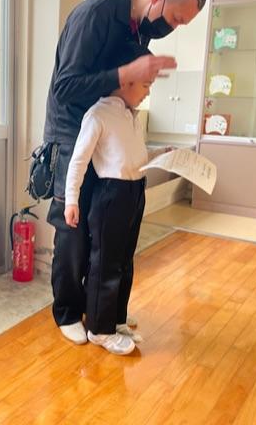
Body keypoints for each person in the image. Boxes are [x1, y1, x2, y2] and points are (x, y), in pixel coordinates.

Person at [44, 0, 206, 345]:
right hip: (72, 133)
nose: (174, 28)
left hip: (108, 133)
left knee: (102, 231)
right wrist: (126, 72)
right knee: (73, 227)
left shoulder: (138, 30)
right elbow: (65, 87)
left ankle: (99, 310)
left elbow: (122, 88)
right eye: (176, 19)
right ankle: (66, 310)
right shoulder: (94, 16)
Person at [64, 49, 172, 354]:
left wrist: (160, 154)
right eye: (146, 86)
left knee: (125, 260)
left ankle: (116, 318)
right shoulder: (98, 115)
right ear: (126, 82)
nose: (148, 93)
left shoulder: (131, 115)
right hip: (111, 195)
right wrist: (71, 200)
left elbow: (133, 156)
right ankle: (99, 329)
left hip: (135, 191)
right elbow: (78, 161)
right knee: (106, 263)